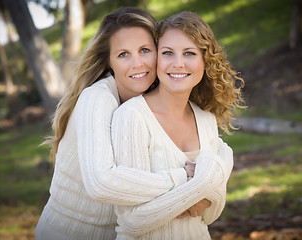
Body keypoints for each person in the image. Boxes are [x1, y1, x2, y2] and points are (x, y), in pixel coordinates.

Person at [35, 7, 193, 240]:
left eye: (145, 50)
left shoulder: (155, 102)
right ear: (109, 63)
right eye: (123, 55)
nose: (137, 63)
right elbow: (101, 183)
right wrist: (180, 180)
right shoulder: (97, 98)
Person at [111, 11, 245, 239]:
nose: (178, 63)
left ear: (205, 61)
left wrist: (196, 194)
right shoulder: (132, 116)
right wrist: (200, 186)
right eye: (167, 53)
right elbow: (132, 221)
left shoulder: (206, 119)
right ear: (156, 59)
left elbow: (211, 213)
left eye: (189, 53)